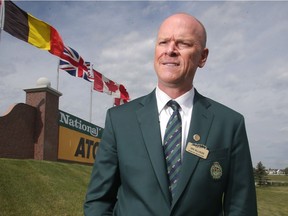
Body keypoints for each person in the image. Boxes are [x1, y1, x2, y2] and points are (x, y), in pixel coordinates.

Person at [84, 13, 258, 216]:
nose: (170, 50)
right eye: (163, 42)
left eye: (183, 43)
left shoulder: (229, 124)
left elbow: (241, 207)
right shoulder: (119, 120)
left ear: (203, 56)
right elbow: (98, 201)